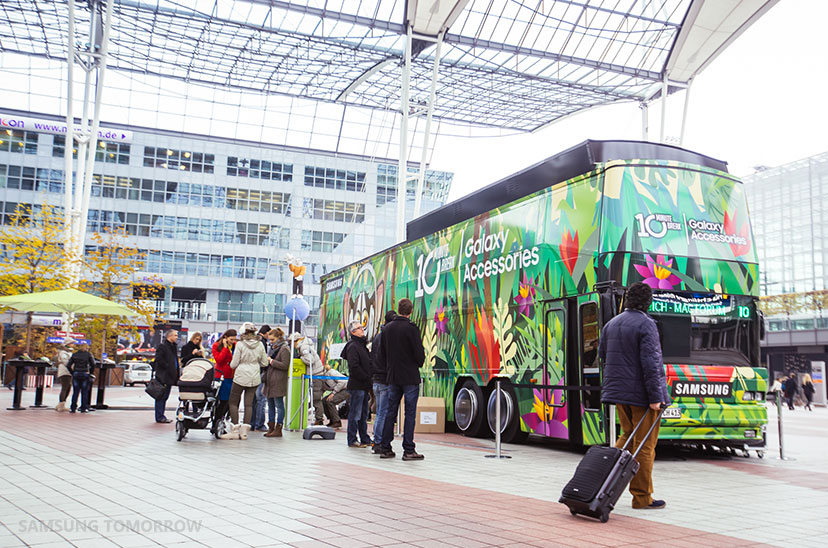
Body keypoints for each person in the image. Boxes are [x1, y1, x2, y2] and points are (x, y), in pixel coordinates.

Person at [599, 282, 669, 510]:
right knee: (645, 445)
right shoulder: (646, 324)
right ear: (648, 302)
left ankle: (601, 480)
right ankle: (642, 497)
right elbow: (651, 363)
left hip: (620, 394)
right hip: (642, 396)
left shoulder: (611, 324)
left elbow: (603, 355)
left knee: (627, 437)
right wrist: (656, 397)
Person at [378, 298, 426, 461]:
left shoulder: (387, 329)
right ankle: (408, 449)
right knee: (410, 413)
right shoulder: (412, 328)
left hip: (393, 376)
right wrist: (418, 362)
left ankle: (385, 447)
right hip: (410, 376)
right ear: (411, 311)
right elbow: (419, 353)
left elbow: (382, 353)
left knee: (390, 411)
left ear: (398, 310)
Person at [221, 322, 268, 440]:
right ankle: (245, 432)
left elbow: (233, 364)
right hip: (254, 376)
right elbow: (264, 363)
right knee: (248, 404)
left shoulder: (240, 345)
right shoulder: (260, 344)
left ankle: (235, 429)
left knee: (233, 402)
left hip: (240, 376)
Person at [342, 321, 373, 447]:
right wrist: (365, 377)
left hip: (364, 385)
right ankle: (352, 439)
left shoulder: (361, 345)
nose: (362, 329)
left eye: (362, 327)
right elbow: (354, 366)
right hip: (357, 385)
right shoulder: (353, 346)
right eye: (359, 328)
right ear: (353, 332)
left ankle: (364, 438)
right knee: (355, 413)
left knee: (363, 414)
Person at [371, 310, 395, 452]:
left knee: (379, 412)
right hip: (385, 379)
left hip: (376, 379)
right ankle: (378, 441)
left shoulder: (377, 337)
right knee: (383, 413)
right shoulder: (388, 338)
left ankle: (376, 440)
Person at [291, 333, 326, 425]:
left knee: (316, 399)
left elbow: (310, 360)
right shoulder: (305, 345)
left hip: (315, 375)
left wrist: (301, 358)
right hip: (316, 374)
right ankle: (318, 418)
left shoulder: (304, 347)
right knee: (315, 398)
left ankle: (319, 420)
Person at [263, 328, 290, 437]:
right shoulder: (273, 348)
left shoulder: (284, 349)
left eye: (273, 339)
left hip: (278, 381)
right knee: (270, 405)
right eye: (270, 339)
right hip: (270, 381)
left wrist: (271, 361)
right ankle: (271, 427)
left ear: (279, 337)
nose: (271, 342)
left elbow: (285, 365)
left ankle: (278, 427)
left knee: (279, 405)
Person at [211, 329, 237, 433]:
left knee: (229, 402)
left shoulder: (235, 345)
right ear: (225, 338)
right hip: (221, 376)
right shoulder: (216, 346)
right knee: (222, 401)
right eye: (231, 339)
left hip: (232, 376)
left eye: (234, 339)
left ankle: (220, 421)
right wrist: (225, 348)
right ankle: (216, 423)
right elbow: (219, 360)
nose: (233, 341)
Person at [153, 329, 180, 423]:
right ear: (169, 336)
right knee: (161, 397)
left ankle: (161, 415)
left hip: (170, 377)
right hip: (163, 377)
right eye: (175, 335)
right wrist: (168, 367)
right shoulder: (163, 346)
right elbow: (159, 360)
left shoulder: (173, 347)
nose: (177, 337)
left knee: (165, 397)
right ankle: (159, 416)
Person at [252, 324, 272, 432]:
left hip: (251, 373)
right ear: (266, 332)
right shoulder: (262, 342)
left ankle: (251, 423)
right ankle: (259, 424)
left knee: (253, 400)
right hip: (260, 373)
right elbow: (263, 360)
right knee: (261, 399)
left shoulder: (253, 341)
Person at [67, 343, 96, 413]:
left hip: (76, 373)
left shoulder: (75, 354)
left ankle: (73, 407)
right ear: (86, 348)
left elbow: (68, 365)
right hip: (85, 373)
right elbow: (93, 364)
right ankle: (83, 408)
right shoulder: (88, 355)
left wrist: (72, 372)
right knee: (84, 391)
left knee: (75, 392)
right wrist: (91, 372)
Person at [54, 341, 74, 412]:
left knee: (68, 387)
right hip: (65, 371)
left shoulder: (68, 352)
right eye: (72, 343)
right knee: (65, 388)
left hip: (68, 371)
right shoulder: (63, 352)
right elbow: (66, 362)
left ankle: (61, 404)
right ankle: (61, 405)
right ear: (68, 344)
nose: (73, 345)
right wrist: (72, 367)